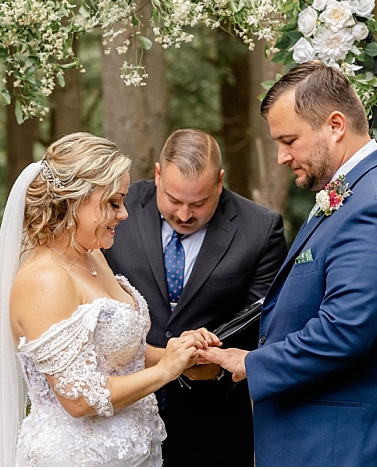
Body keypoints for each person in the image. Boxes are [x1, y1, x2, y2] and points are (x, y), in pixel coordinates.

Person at [200, 61, 377, 466]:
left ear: (335, 125)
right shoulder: (354, 192)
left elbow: (343, 331)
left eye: (289, 140)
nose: (280, 157)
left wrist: (251, 362)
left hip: (355, 447)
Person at [0, 132, 218, 466]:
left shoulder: (93, 256)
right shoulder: (45, 279)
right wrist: (166, 370)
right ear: (73, 200)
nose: (124, 214)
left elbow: (121, 352)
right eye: (112, 202)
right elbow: (78, 398)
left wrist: (180, 355)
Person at [104, 128, 287, 467]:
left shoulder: (260, 230)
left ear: (219, 182)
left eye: (199, 203)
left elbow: (263, 323)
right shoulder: (115, 211)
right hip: (120, 414)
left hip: (213, 424)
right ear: (158, 175)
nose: (184, 215)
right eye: (174, 200)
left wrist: (211, 363)